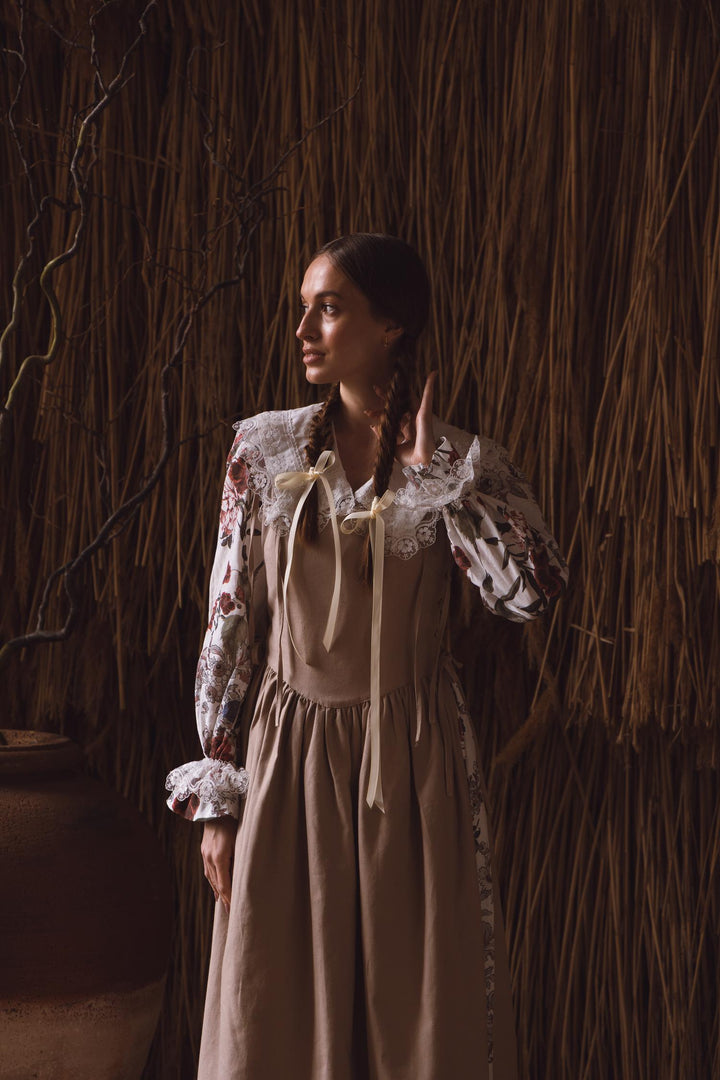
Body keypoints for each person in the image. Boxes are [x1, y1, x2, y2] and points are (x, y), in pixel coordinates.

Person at [165, 233, 568, 1080]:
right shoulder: (263, 450)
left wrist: (441, 486)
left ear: (392, 325)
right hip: (286, 762)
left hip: (411, 763)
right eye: (305, 305)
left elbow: (529, 593)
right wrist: (219, 793)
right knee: (269, 1007)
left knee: (416, 1008)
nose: (305, 327)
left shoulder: (459, 462)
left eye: (331, 306)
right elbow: (230, 625)